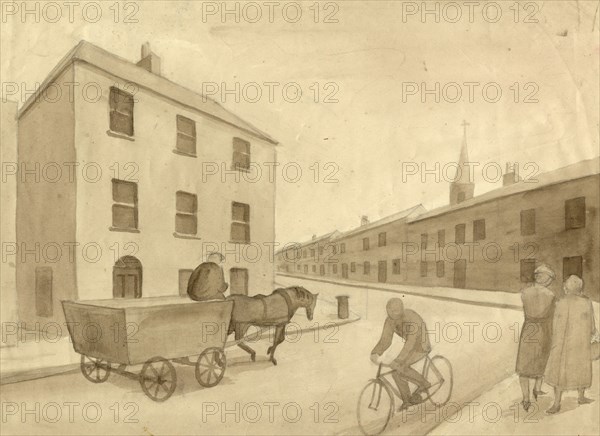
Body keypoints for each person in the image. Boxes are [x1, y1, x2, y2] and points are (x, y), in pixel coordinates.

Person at [545, 275, 597, 414]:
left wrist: (555, 339)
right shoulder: (586, 302)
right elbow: (592, 325)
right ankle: (581, 397)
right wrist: (591, 334)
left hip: (564, 343)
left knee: (560, 371)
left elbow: (555, 323)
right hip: (580, 342)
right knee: (581, 367)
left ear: (567, 287)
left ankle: (557, 403)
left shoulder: (561, 302)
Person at [370, 298, 432, 409]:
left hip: (421, 344)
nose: (393, 314)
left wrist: (398, 359)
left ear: (401, 309)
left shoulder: (411, 318)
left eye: (395, 311)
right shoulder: (390, 320)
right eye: (390, 311)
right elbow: (385, 340)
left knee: (401, 367)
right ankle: (407, 400)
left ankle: (424, 383)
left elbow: (410, 342)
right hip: (410, 346)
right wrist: (376, 352)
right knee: (396, 372)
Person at [515, 263, 556, 412]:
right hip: (543, 330)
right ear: (545, 279)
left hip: (528, 329)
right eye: (550, 279)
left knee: (524, 366)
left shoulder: (525, 292)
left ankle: (526, 399)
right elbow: (553, 316)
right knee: (541, 360)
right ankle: (537, 389)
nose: (550, 282)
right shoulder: (550, 295)